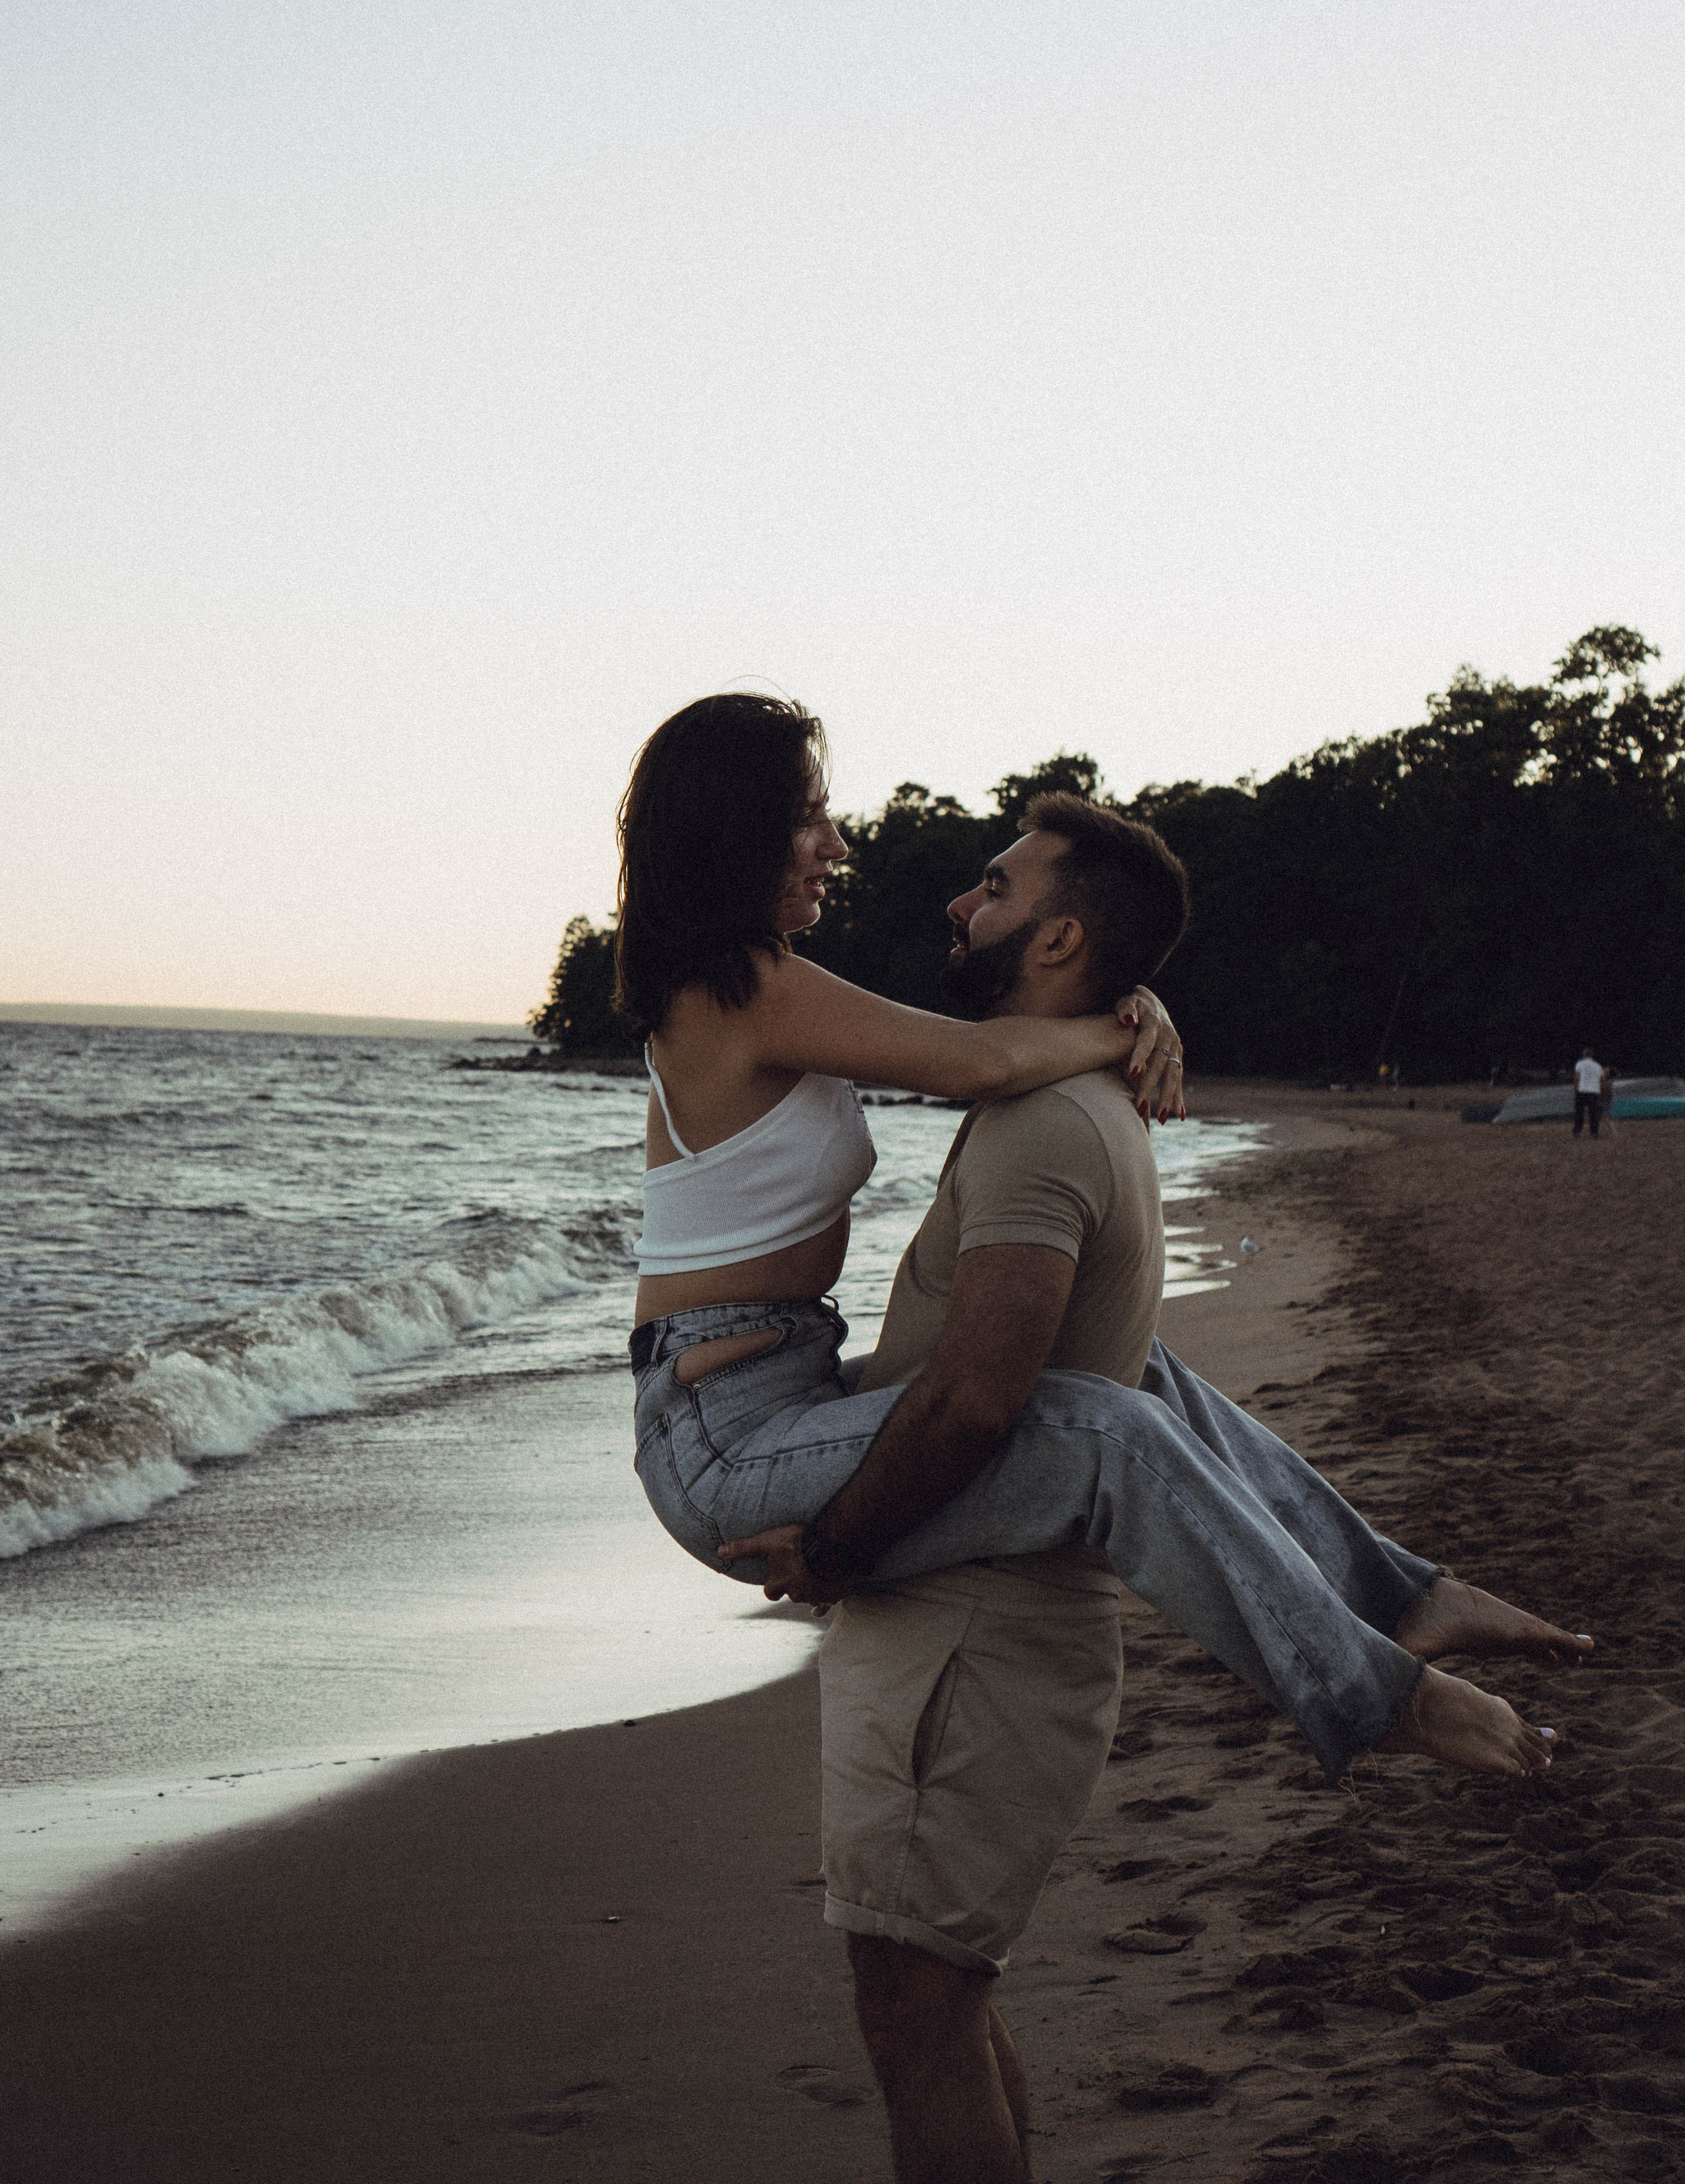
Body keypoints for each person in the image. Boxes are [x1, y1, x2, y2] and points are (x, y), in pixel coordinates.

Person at [623, 693, 1576, 1784]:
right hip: (721, 1444)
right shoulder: (731, 987)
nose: (837, 842)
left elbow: (988, 1046)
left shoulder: (771, 986)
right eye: (809, 815)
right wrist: (1125, 1021)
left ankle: (1401, 1597)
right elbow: (979, 1062)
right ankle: (1374, 1698)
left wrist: (1135, 1009)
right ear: (730, 826)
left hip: (785, 1390)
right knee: (1105, 1428)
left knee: (1130, 1368)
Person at [1574, 1047, 1605, 1138]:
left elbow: (1576, 1078)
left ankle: (1577, 1131)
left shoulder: (1580, 1064)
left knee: (1579, 1113)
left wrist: (1576, 1090)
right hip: (1594, 1092)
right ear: (1592, 1056)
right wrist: (1603, 1093)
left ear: (1584, 1055)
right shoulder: (1598, 1066)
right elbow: (1602, 1081)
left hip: (1582, 1090)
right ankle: (1594, 1132)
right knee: (1593, 1114)